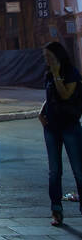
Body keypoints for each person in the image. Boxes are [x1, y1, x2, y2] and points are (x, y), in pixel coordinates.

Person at [40, 41, 82, 227]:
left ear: (58, 56)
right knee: (54, 172)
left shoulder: (71, 73)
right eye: (45, 57)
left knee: (79, 171)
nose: (46, 60)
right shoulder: (48, 74)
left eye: (49, 57)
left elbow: (65, 95)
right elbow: (50, 98)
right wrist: (41, 112)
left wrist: (57, 74)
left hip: (70, 126)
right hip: (51, 128)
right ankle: (56, 210)